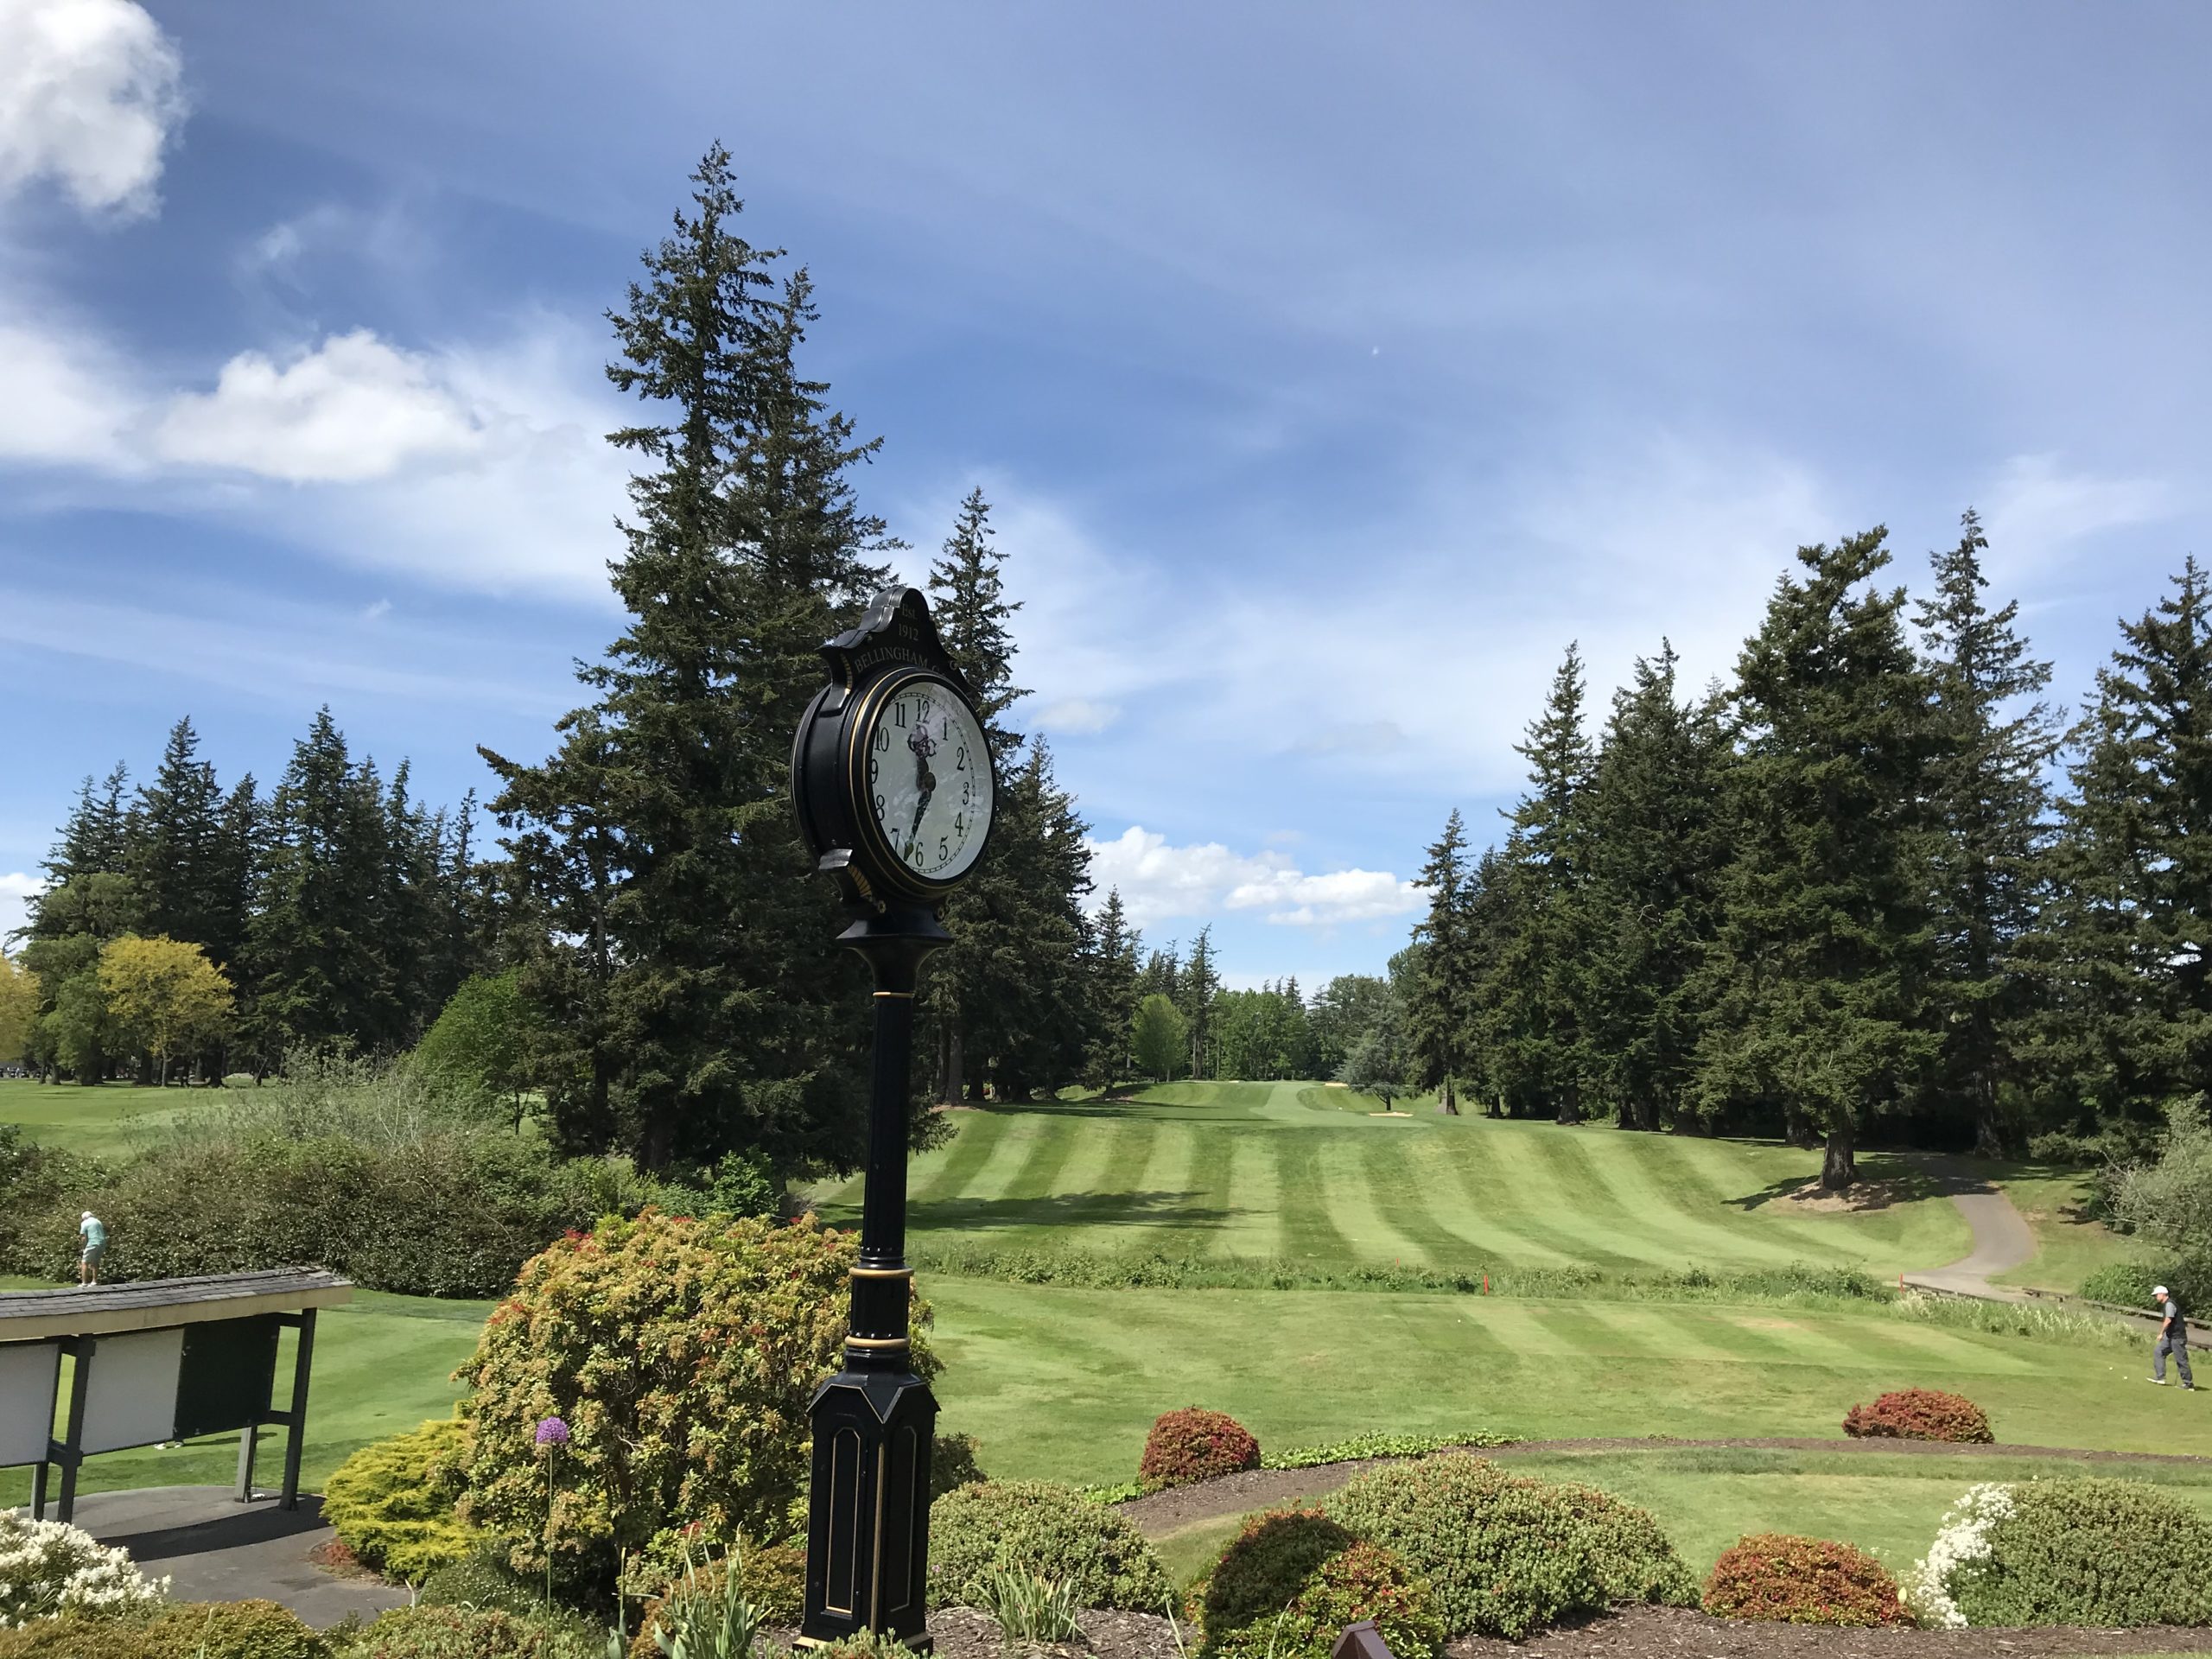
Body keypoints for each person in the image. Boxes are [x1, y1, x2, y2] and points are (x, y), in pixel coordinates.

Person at [2150, 1284, 2194, 1389]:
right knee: (2158, 1351)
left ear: (2162, 1294)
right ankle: (2160, 1378)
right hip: (2171, 1337)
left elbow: (2168, 1319)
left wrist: (2161, 1333)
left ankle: (2188, 1383)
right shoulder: (2167, 1304)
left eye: (2156, 1295)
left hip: (2177, 1337)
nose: (2156, 1297)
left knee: (2181, 1359)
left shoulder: (2169, 1304)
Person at [78, 1211, 105, 1287]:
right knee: (95, 1262)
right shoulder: (98, 1222)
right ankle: (94, 1281)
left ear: (84, 1218)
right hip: (102, 1243)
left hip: (92, 1243)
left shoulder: (85, 1223)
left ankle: (84, 1283)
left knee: (84, 1262)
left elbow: (83, 1237)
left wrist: (84, 1247)